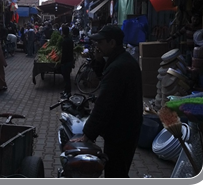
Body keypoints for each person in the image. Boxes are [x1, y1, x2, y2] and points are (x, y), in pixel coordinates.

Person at [71, 24, 143, 178]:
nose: (97, 46)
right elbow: (105, 79)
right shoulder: (120, 60)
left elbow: (104, 104)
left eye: (101, 42)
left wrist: (88, 134)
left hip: (122, 131)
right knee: (118, 170)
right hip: (124, 128)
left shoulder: (119, 66)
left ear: (112, 43)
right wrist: (97, 61)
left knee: (115, 173)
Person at [60, 25, 74, 98]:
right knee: (67, 78)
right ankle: (66, 91)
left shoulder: (65, 41)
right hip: (70, 60)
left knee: (66, 78)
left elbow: (64, 53)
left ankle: (68, 93)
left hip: (66, 62)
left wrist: (62, 62)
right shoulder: (70, 39)